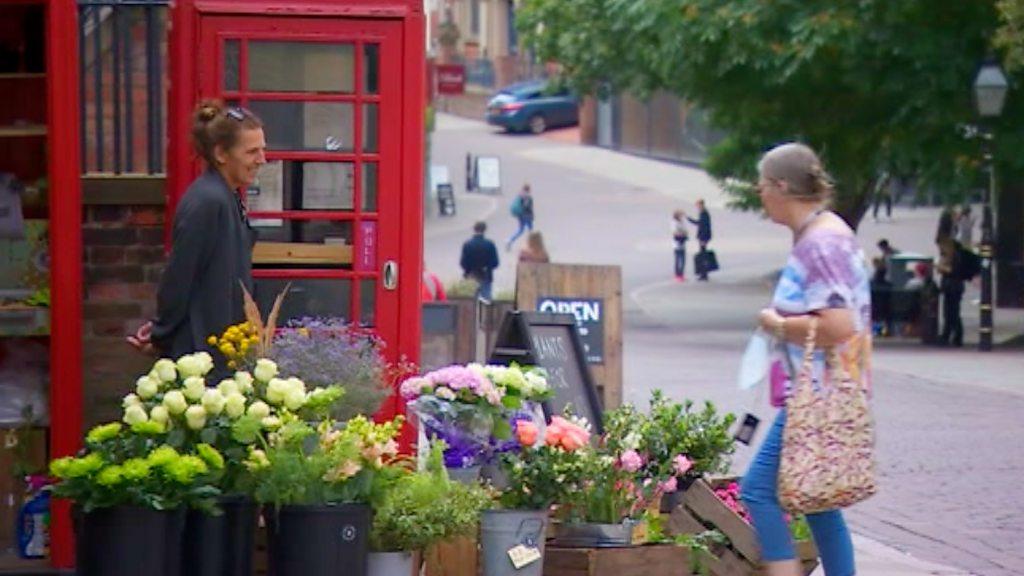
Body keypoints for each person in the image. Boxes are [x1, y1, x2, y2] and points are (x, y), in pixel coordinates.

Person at [743, 143, 870, 576]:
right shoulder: (823, 234)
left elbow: (838, 325)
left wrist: (776, 323)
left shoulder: (821, 243)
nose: (759, 195)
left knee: (759, 489)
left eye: (762, 186)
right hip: (820, 387)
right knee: (818, 501)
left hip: (818, 391)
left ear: (781, 187)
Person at [128, 101, 265, 364]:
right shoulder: (207, 201)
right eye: (252, 152)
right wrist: (161, 333)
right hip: (202, 349)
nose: (262, 160)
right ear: (221, 154)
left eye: (262, 150)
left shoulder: (225, 196)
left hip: (222, 345)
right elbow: (179, 276)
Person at [460, 221, 499, 300]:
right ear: (485, 230)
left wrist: (469, 269)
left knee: (471, 301)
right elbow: (495, 262)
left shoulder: (467, 244)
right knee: (486, 300)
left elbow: (463, 263)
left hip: (471, 275)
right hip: (486, 275)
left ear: (474, 229)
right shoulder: (490, 244)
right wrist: (487, 267)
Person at [936, 237, 964, 347]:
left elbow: (954, 271)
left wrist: (942, 267)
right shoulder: (948, 257)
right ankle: (946, 335)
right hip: (949, 288)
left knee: (953, 313)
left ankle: (957, 337)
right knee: (948, 313)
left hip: (954, 288)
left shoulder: (956, 257)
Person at [687, 199, 713, 281]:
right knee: (703, 254)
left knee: (703, 255)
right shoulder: (703, 213)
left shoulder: (704, 213)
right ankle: (703, 273)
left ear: (701, 205)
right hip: (702, 236)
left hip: (703, 237)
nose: (697, 207)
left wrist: (704, 239)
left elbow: (704, 226)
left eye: (698, 205)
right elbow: (699, 223)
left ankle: (704, 274)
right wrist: (689, 219)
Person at [506, 183, 535, 252]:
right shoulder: (528, 197)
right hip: (527, 215)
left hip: (520, 215)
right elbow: (527, 207)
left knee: (520, 230)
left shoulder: (519, 195)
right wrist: (532, 214)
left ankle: (510, 240)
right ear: (529, 189)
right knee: (530, 230)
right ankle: (531, 245)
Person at [671, 209, 689, 281]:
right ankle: (677, 274)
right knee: (678, 259)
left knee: (683, 259)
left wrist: (683, 233)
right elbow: (675, 232)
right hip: (677, 243)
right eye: (680, 215)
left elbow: (685, 231)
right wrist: (682, 233)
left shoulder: (682, 222)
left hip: (683, 242)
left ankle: (681, 274)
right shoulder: (674, 222)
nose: (681, 216)